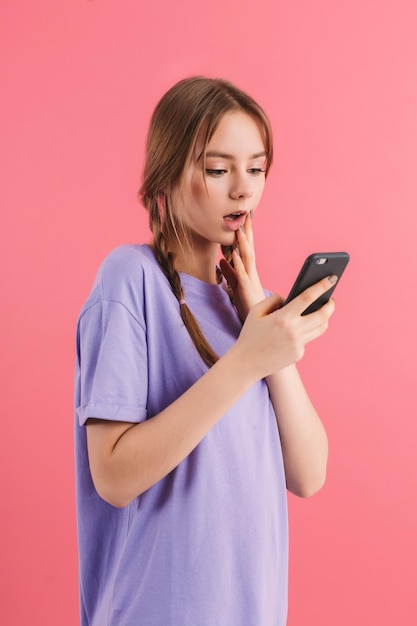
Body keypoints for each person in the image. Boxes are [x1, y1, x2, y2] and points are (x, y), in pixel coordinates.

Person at [74, 76, 336, 626]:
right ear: (167, 174)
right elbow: (115, 477)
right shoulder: (130, 280)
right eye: (218, 170)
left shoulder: (251, 309)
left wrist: (262, 330)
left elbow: (309, 475)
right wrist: (246, 360)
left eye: (257, 168)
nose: (243, 189)